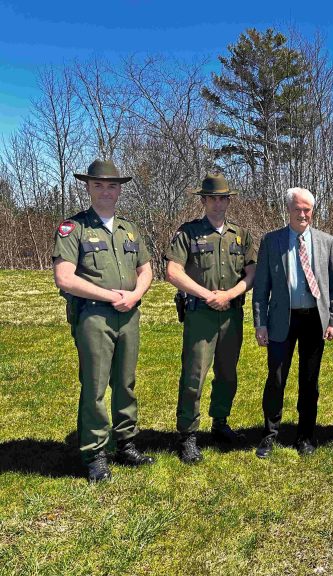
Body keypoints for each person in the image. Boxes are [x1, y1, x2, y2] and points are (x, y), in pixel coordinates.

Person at [52, 159, 154, 483]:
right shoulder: (74, 228)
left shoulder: (129, 228)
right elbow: (64, 277)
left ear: (119, 190)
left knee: (125, 382)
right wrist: (111, 296)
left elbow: (146, 269)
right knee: (95, 386)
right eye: (99, 185)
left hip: (129, 313)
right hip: (94, 315)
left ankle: (126, 443)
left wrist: (135, 294)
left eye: (112, 186)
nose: (106, 191)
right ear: (88, 187)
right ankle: (95, 453)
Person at [164, 173, 256, 464]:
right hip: (200, 315)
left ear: (228, 201)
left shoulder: (241, 235)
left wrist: (230, 294)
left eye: (222, 198)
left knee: (227, 373)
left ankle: (220, 422)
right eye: (212, 198)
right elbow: (173, 272)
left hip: (231, 314)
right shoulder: (188, 233)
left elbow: (252, 273)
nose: (217, 203)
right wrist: (208, 295)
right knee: (194, 375)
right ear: (203, 201)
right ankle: (188, 434)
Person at [252, 187, 333, 458]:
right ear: (288, 210)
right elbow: (261, 287)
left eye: (307, 209)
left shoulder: (327, 242)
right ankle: (270, 435)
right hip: (282, 319)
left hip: (315, 319)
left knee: (309, 380)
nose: (302, 214)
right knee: (276, 379)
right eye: (297, 209)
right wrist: (260, 323)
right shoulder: (272, 241)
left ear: (313, 211)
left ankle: (305, 436)